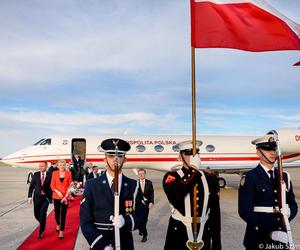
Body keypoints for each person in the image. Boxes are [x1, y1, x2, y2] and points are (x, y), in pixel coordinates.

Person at [80, 138, 146, 250]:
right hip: (100, 243)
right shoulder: (92, 186)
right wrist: (101, 246)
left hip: (125, 244)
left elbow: (142, 216)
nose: (115, 159)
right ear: (104, 159)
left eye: (119, 156)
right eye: (110, 156)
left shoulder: (134, 185)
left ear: (125, 159)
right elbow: (85, 222)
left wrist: (126, 221)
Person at [238, 134, 298, 250]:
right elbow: (245, 212)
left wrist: (289, 213)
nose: (272, 152)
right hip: (258, 239)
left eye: (274, 149)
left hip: (282, 237)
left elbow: (293, 204)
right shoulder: (250, 177)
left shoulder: (284, 176)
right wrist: (270, 232)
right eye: (267, 149)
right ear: (259, 153)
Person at [163, 140, 221, 250]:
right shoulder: (171, 176)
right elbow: (176, 196)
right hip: (179, 233)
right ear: (180, 156)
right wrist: (193, 170)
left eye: (195, 154)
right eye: (187, 154)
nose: (192, 157)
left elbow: (215, 213)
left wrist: (217, 243)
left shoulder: (210, 178)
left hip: (204, 232)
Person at [28, 161, 52, 238]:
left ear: (46, 167)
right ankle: (43, 222)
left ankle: (41, 231)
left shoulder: (50, 175)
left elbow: (52, 186)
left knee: (42, 214)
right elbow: (31, 186)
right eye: (39, 166)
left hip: (46, 198)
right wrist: (30, 197)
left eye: (42, 166)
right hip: (37, 198)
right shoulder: (36, 174)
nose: (40, 167)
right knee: (36, 214)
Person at [50, 159, 72, 239]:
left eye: (63, 165)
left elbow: (70, 185)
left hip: (65, 196)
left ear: (65, 165)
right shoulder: (54, 173)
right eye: (60, 165)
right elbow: (52, 185)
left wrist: (66, 194)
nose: (62, 167)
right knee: (57, 213)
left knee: (63, 214)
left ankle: (61, 231)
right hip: (56, 196)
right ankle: (58, 224)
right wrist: (57, 191)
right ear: (58, 166)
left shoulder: (69, 173)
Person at [137, 168, 154, 242]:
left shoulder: (149, 183)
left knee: (145, 220)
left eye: (142, 173)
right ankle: (145, 235)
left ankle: (142, 229)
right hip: (138, 205)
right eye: (140, 174)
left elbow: (151, 193)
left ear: (145, 174)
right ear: (138, 174)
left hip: (146, 205)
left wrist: (151, 202)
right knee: (140, 220)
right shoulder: (136, 183)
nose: (141, 175)